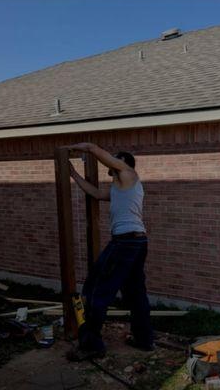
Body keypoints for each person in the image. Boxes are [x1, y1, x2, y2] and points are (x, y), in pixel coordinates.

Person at [64, 142, 153, 360]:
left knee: (97, 289)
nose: (111, 161)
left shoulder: (130, 174)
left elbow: (97, 152)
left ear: (123, 164)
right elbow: (94, 193)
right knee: (135, 294)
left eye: (116, 159)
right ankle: (143, 340)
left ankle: (92, 345)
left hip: (125, 244)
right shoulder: (118, 189)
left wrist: (84, 147)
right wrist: (74, 174)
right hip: (136, 243)